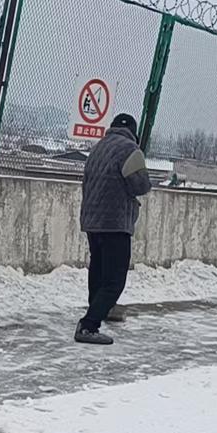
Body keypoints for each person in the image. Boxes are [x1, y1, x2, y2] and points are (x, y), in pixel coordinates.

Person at [76, 113, 152, 345]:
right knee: (114, 279)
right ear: (133, 130)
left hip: (93, 220)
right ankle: (89, 325)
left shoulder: (98, 148)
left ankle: (99, 309)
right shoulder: (130, 150)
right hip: (115, 222)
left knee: (98, 270)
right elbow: (140, 185)